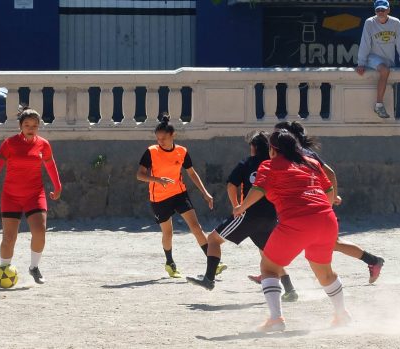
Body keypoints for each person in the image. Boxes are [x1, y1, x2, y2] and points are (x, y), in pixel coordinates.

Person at [234, 129, 351, 332]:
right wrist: (323, 213)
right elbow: (329, 191)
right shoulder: (311, 163)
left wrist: (240, 207)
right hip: (326, 220)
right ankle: (342, 315)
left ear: (273, 150)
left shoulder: (269, 165)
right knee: (325, 274)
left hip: (297, 223)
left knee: (269, 268)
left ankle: (276, 319)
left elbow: (258, 190)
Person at [186, 131, 297, 302]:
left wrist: (236, 205)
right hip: (270, 217)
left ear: (253, 147)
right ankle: (290, 289)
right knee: (269, 254)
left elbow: (231, 185)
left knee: (214, 240)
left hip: (249, 215)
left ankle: (209, 279)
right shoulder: (273, 164)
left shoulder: (247, 163)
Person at [137, 115, 226, 278]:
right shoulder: (151, 152)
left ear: (173, 135)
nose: (160, 141)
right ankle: (170, 263)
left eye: (163, 138)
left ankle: (214, 263)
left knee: (196, 227)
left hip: (179, 193)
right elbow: (140, 175)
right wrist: (157, 179)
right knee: (168, 233)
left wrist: (205, 193)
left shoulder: (182, 151)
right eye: (158, 138)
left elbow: (192, 173)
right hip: (159, 197)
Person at [0, 106, 62, 284]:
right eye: (27, 124)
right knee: (9, 238)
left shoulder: (43, 144)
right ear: (20, 126)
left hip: (35, 195)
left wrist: (58, 186)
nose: (31, 128)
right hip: (11, 196)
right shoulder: (10, 143)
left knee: (40, 232)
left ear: (38, 127)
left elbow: (51, 166)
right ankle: (4, 270)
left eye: (34, 125)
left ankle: (34, 267)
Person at [356, 0, 400, 119]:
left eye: (383, 9)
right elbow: (365, 43)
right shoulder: (369, 22)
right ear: (375, 11)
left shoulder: (396, 23)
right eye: (378, 10)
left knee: (387, 74)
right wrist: (361, 63)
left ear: (388, 10)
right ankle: (378, 105)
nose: (380, 12)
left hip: (388, 60)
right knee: (384, 70)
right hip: (372, 58)